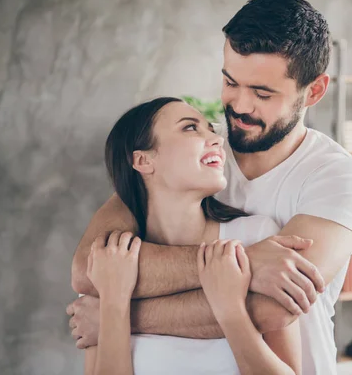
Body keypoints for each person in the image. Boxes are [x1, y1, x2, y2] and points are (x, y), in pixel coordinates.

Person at [67, 0, 352, 374]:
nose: (240, 106)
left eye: (262, 93)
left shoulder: (338, 176)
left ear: (313, 91)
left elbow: (272, 309)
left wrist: (116, 313)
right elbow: (88, 268)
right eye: (231, 82)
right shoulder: (198, 157)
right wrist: (248, 265)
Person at [85, 97, 302, 374]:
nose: (216, 139)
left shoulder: (257, 236)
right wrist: (114, 304)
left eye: (210, 129)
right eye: (190, 128)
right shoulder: (108, 262)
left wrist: (229, 309)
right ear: (143, 160)